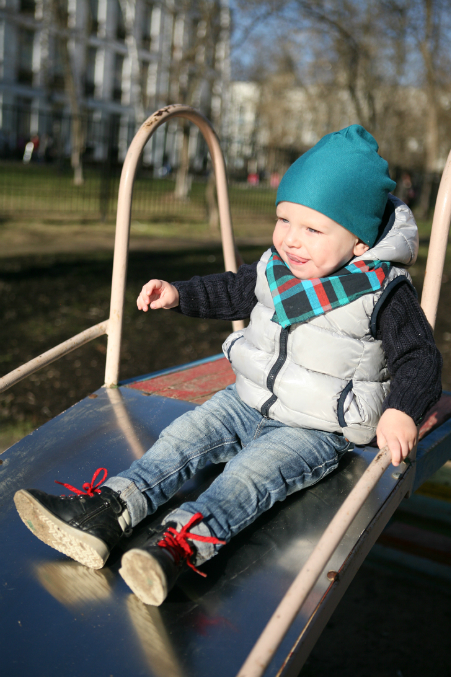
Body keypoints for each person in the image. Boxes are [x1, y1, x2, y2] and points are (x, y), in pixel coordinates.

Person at [14, 125, 442, 607]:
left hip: (315, 428)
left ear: (359, 242)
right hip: (244, 401)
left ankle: (176, 549)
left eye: (313, 229)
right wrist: (178, 294)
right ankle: (108, 512)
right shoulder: (277, 269)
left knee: (249, 478)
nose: (291, 240)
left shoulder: (382, 291)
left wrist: (402, 410)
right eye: (284, 220)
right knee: (181, 439)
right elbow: (233, 290)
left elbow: (420, 357)